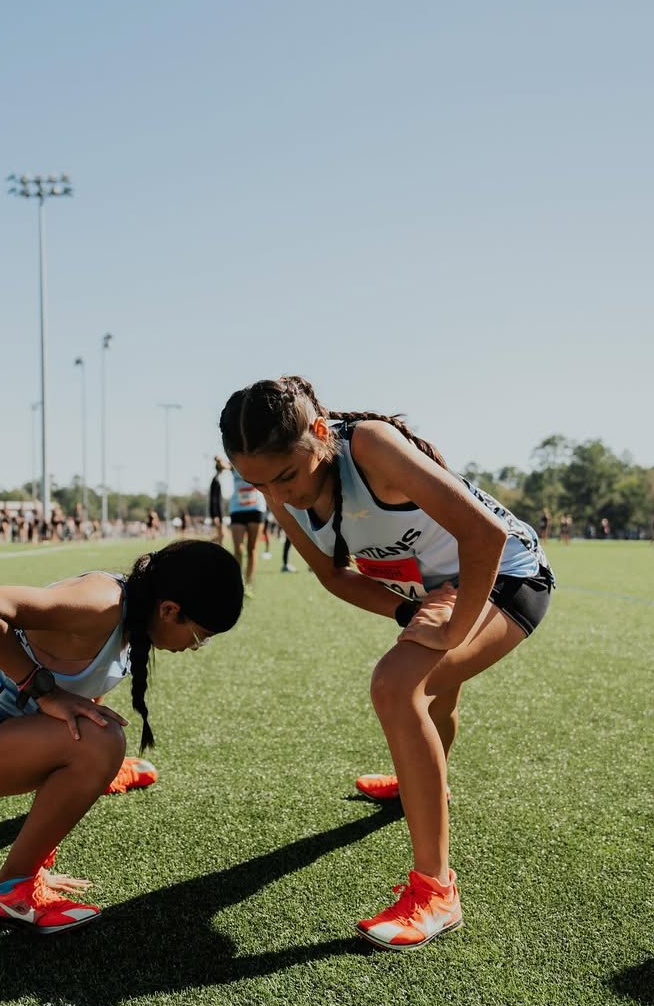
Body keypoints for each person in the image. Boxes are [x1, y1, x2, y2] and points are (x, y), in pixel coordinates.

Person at [220, 376, 553, 952]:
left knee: (397, 686)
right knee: (431, 694)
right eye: (256, 482)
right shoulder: (275, 485)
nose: (280, 494)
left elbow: (486, 534)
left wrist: (449, 625)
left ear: (320, 434)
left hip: (506, 574)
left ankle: (436, 892)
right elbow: (332, 575)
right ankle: (424, 784)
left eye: (287, 476)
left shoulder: (370, 446)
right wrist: (412, 617)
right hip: (438, 588)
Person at [0, 540, 244, 933]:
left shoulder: (136, 614)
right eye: (200, 634)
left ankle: (89, 772)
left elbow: (87, 688)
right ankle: (13, 894)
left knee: (98, 741)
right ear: (169, 609)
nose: (197, 646)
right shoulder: (101, 603)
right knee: (100, 743)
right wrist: (45, 692)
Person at [229, 463, 267, 594]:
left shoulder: (256, 457)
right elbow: (222, 463)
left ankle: (248, 583)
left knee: (252, 548)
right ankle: (237, 583)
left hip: (256, 508)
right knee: (238, 549)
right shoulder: (232, 462)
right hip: (237, 508)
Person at [208, 455, 232, 545]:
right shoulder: (215, 480)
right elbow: (213, 499)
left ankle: (217, 549)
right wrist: (215, 515)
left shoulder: (219, 480)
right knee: (221, 535)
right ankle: (207, 545)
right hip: (217, 513)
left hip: (220, 512)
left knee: (222, 535)